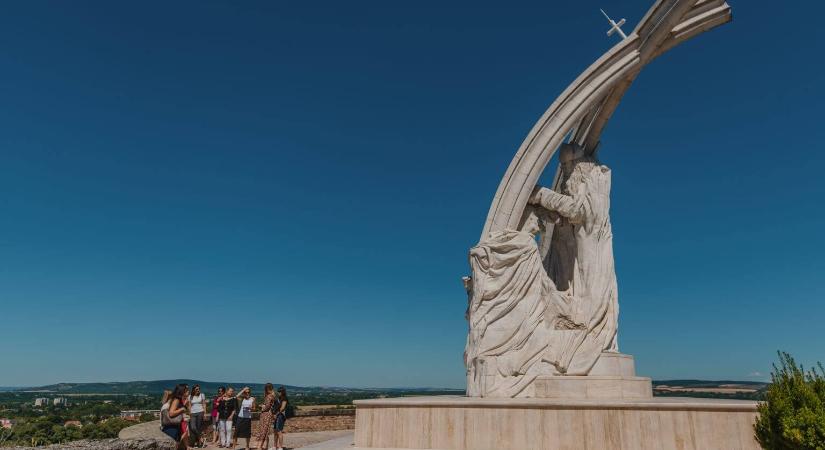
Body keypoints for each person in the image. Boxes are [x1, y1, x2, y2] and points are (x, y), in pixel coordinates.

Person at [254, 384, 275, 450]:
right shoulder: (272, 395)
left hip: (266, 414)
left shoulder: (269, 396)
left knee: (263, 430)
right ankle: (265, 446)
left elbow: (267, 407)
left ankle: (260, 445)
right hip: (267, 414)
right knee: (265, 430)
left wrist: (262, 407)